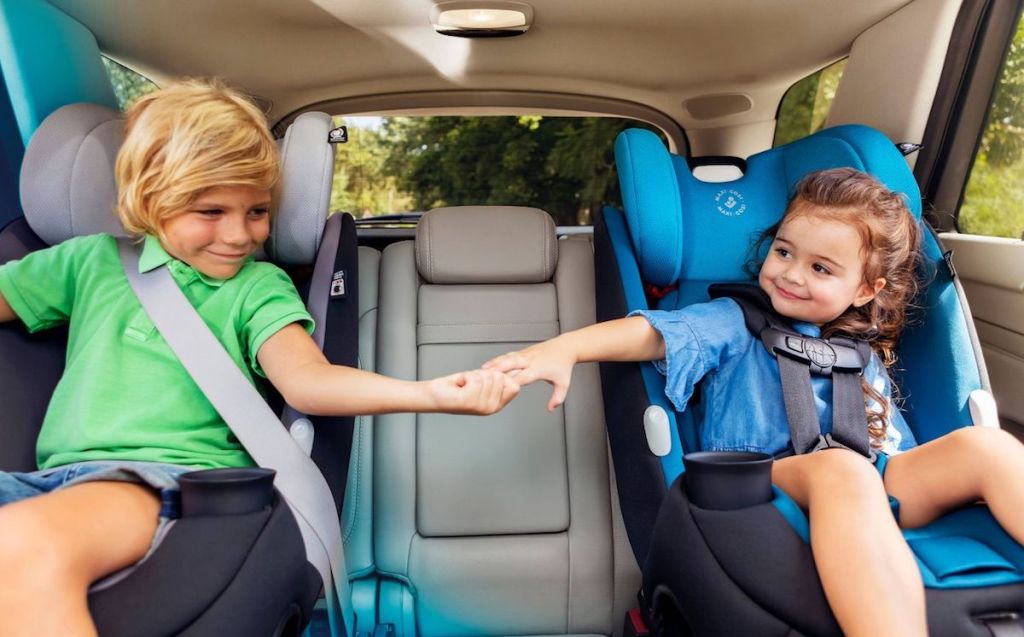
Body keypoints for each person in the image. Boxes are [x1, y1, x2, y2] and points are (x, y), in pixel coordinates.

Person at [0, 79, 519, 637]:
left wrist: (428, 394)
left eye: (257, 211)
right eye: (211, 210)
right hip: (43, 479)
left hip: (161, 482)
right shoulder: (85, 263)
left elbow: (306, 380)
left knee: (23, 542)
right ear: (150, 201)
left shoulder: (258, 287)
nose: (239, 234)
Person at [484, 167, 1024, 637]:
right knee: (841, 468)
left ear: (866, 289)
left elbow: (892, 450)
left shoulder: (859, 349)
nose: (790, 273)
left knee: (987, 446)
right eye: (784, 251)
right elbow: (651, 336)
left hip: (874, 476)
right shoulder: (734, 321)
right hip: (763, 482)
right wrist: (561, 350)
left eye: (821, 268)